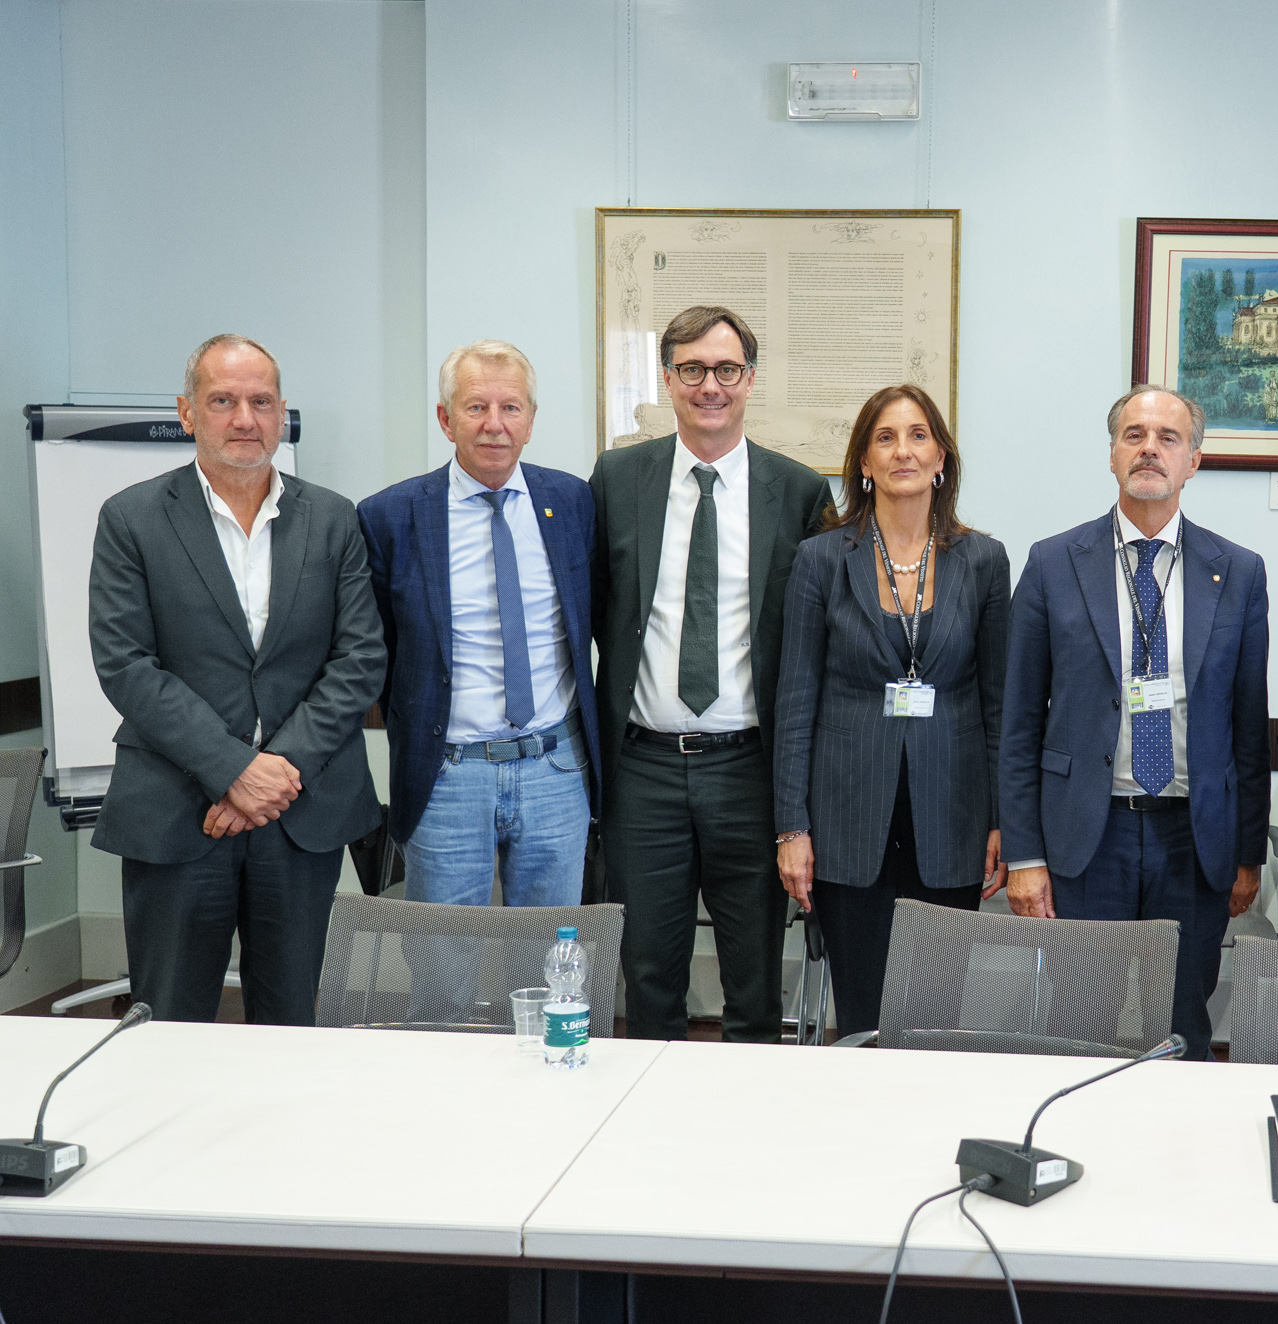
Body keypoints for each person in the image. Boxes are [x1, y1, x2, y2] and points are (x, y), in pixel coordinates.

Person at [89, 334, 385, 1023]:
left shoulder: (334, 518)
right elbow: (126, 663)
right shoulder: (131, 518)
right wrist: (232, 770)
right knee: (170, 1021)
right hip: (177, 807)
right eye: (223, 401)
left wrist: (275, 772)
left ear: (282, 413)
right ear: (187, 412)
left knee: (290, 1022)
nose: (245, 419)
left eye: (261, 401)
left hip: (300, 811)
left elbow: (360, 657)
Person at [999, 385, 1268, 1060]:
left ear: (1193, 461)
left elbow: (1247, 726)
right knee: (1075, 1024)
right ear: (1113, 455)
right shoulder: (1053, 563)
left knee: (1182, 1029)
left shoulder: (1238, 571)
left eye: (1168, 438)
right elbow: (1019, 720)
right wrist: (1024, 857)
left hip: (1193, 838)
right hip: (1088, 836)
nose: (1150, 448)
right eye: (1134, 435)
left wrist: (1247, 854)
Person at [591, 306, 833, 1042]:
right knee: (648, 976)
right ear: (667, 379)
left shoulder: (799, 492)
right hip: (644, 769)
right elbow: (597, 607)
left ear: (750, 380)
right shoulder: (618, 479)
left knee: (754, 979)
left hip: (749, 771)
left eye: (727, 369)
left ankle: (747, 1109)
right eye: (692, 369)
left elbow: (816, 638)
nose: (710, 386)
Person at [771, 385, 1011, 1038]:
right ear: (863, 463)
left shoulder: (984, 561)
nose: (902, 450)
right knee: (862, 1016)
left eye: (917, 435)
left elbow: (998, 704)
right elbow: (795, 701)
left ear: (940, 459)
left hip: (953, 819)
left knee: (937, 1017)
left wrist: (1001, 818)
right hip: (846, 821)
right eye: (885, 438)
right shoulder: (821, 559)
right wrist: (791, 828)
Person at [357, 340, 598, 913]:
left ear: (531, 420)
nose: (495, 424)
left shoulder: (572, 501)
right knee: (443, 960)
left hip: (555, 767)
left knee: (550, 953)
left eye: (511, 408)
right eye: (476, 407)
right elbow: (379, 649)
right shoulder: (389, 516)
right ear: (446, 419)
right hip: (448, 776)